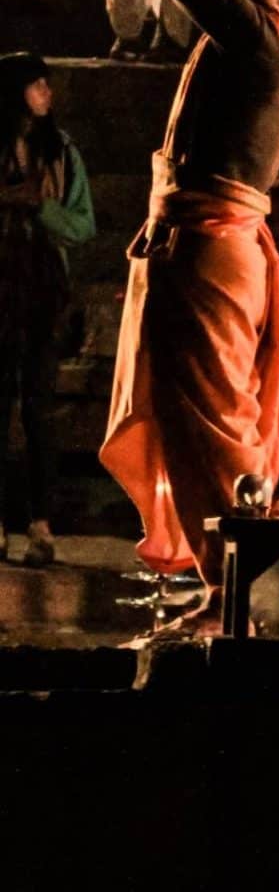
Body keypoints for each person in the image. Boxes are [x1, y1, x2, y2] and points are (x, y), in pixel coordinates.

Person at [74, 0, 279, 619]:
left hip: (211, 250)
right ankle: (229, 587)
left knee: (214, 432)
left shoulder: (253, 29)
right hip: (216, 247)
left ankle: (237, 596)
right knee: (202, 420)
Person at [0, 52, 95, 568]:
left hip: (41, 293)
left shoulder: (61, 152)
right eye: (36, 85)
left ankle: (40, 523)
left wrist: (40, 207)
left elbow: (83, 226)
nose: (46, 93)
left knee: (38, 410)